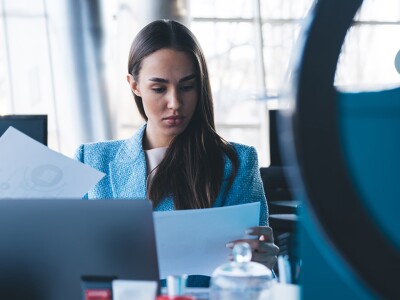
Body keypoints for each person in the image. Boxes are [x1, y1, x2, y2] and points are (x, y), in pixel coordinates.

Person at [75, 19, 279, 286]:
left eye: (187, 86)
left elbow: (252, 283)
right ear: (134, 85)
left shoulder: (236, 163)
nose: (175, 103)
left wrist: (262, 265)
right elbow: (75, 266)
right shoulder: (93, 161)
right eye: (159, 88)